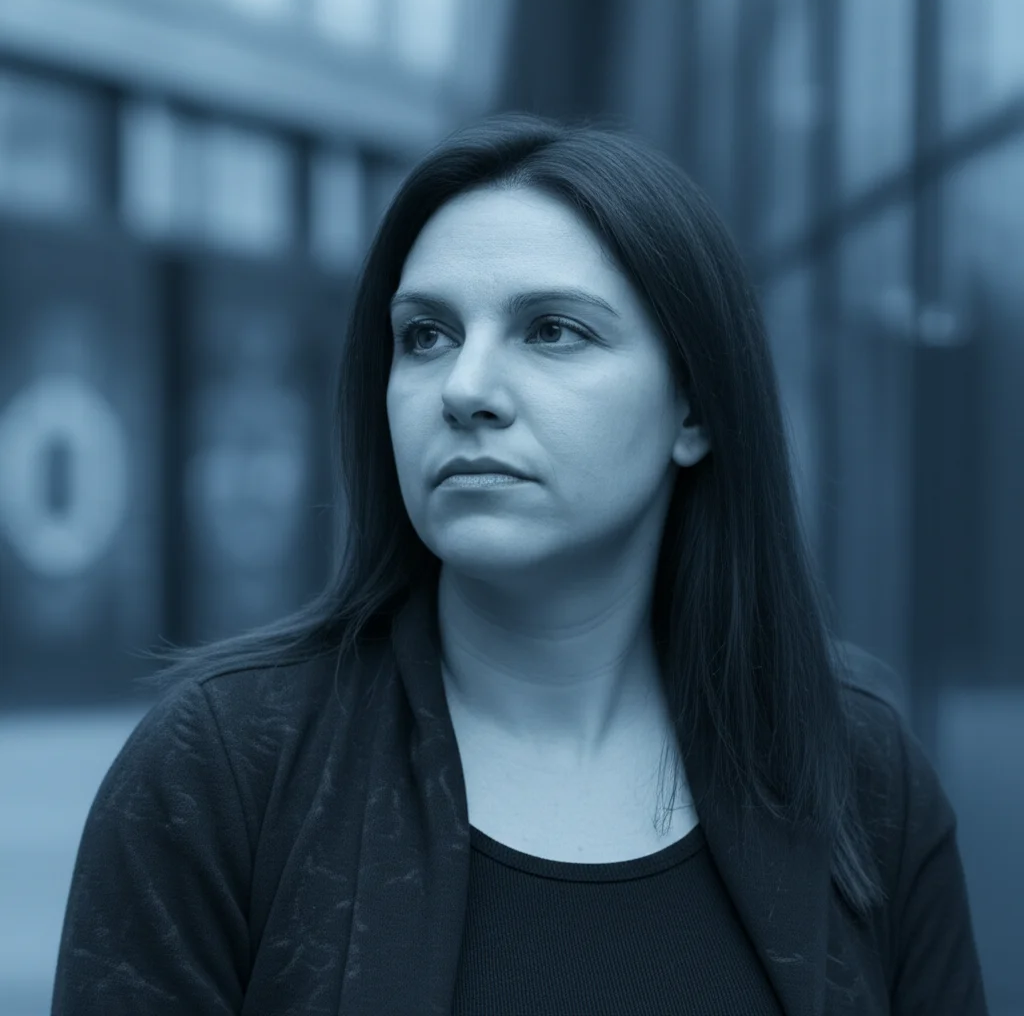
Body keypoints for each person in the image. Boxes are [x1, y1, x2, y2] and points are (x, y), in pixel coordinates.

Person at [51, 113, 988, 1015]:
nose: (464, 389)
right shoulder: (223, 770)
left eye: (551, 331)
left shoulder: (856, 770)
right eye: (426, 335)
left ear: (694, 409)